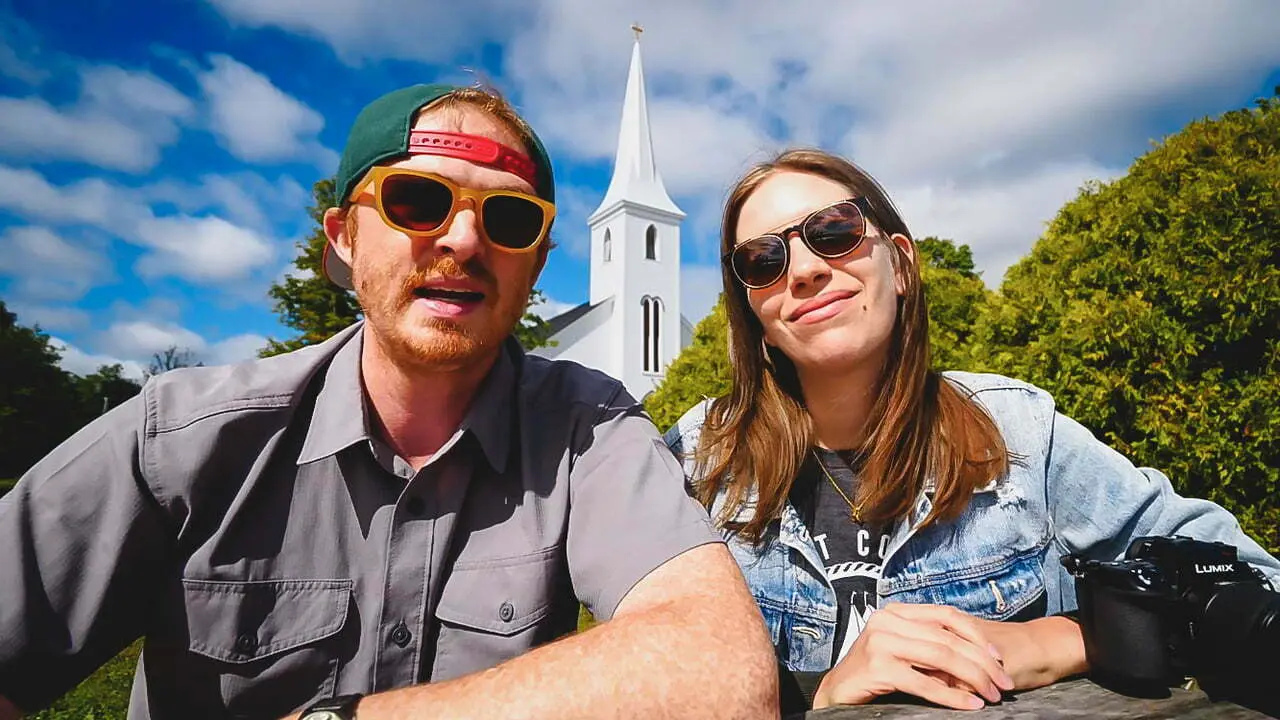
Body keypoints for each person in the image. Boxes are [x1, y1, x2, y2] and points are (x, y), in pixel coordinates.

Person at [0, 84, 778, 720]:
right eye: (416, 201)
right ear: (342, 236)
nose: (466, 242)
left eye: (508, 218)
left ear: (537, 261)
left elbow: (719, 669)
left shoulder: (589, 430)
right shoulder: (180, 440)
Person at [663, 148, 1280, 714]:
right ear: (756, 316)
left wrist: (1062, 639)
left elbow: (1253, 582)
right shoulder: (697, 460)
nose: (801, 270)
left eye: (833, 233)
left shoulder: (1018, 431)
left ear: (901, 265)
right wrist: (818, 702)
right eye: (762, 260)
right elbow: (651, 673)